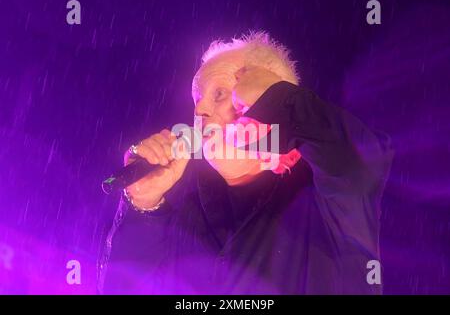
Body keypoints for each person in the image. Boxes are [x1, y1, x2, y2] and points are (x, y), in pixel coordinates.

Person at [99, 32, 393, 294]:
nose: (200, 110)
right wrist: (145, 207)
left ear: (264, 98)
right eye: (197, 100)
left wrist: (281, 98)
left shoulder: (323, 198)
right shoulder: (189, 219)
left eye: (219, 94)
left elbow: (360, 161)